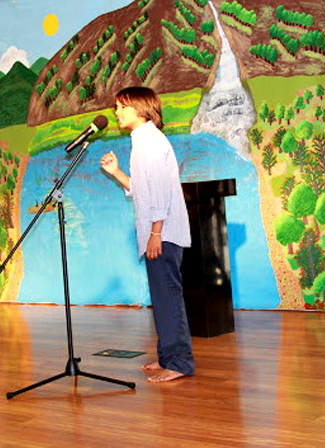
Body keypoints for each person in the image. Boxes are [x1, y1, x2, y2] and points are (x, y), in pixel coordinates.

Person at [100, 86, 194, 382]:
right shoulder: (142, 141)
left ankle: (179, 363)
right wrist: (116, 172)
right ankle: (168, 357)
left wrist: (156, 232)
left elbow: (161, 194)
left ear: (140, 109)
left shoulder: (150, 142)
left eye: (121, 106)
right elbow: (142, 190)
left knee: (168, 297)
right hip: (159, 232)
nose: (116, 112)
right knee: (162, 298)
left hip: (162, 234)